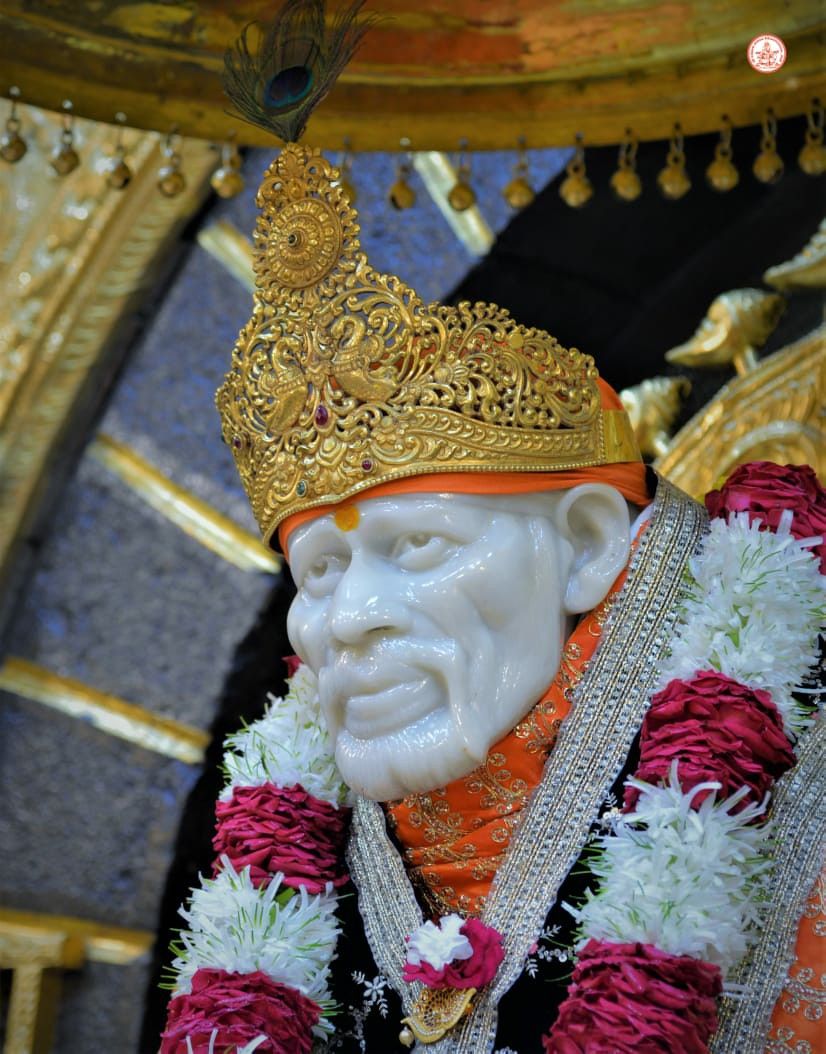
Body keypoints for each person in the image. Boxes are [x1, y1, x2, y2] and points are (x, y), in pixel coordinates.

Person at [215, 143, 823, 1053]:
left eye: (417, 546)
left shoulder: (783, 746)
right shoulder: (292, 836)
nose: (347, 619)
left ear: (587, 545)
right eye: (321, 572)